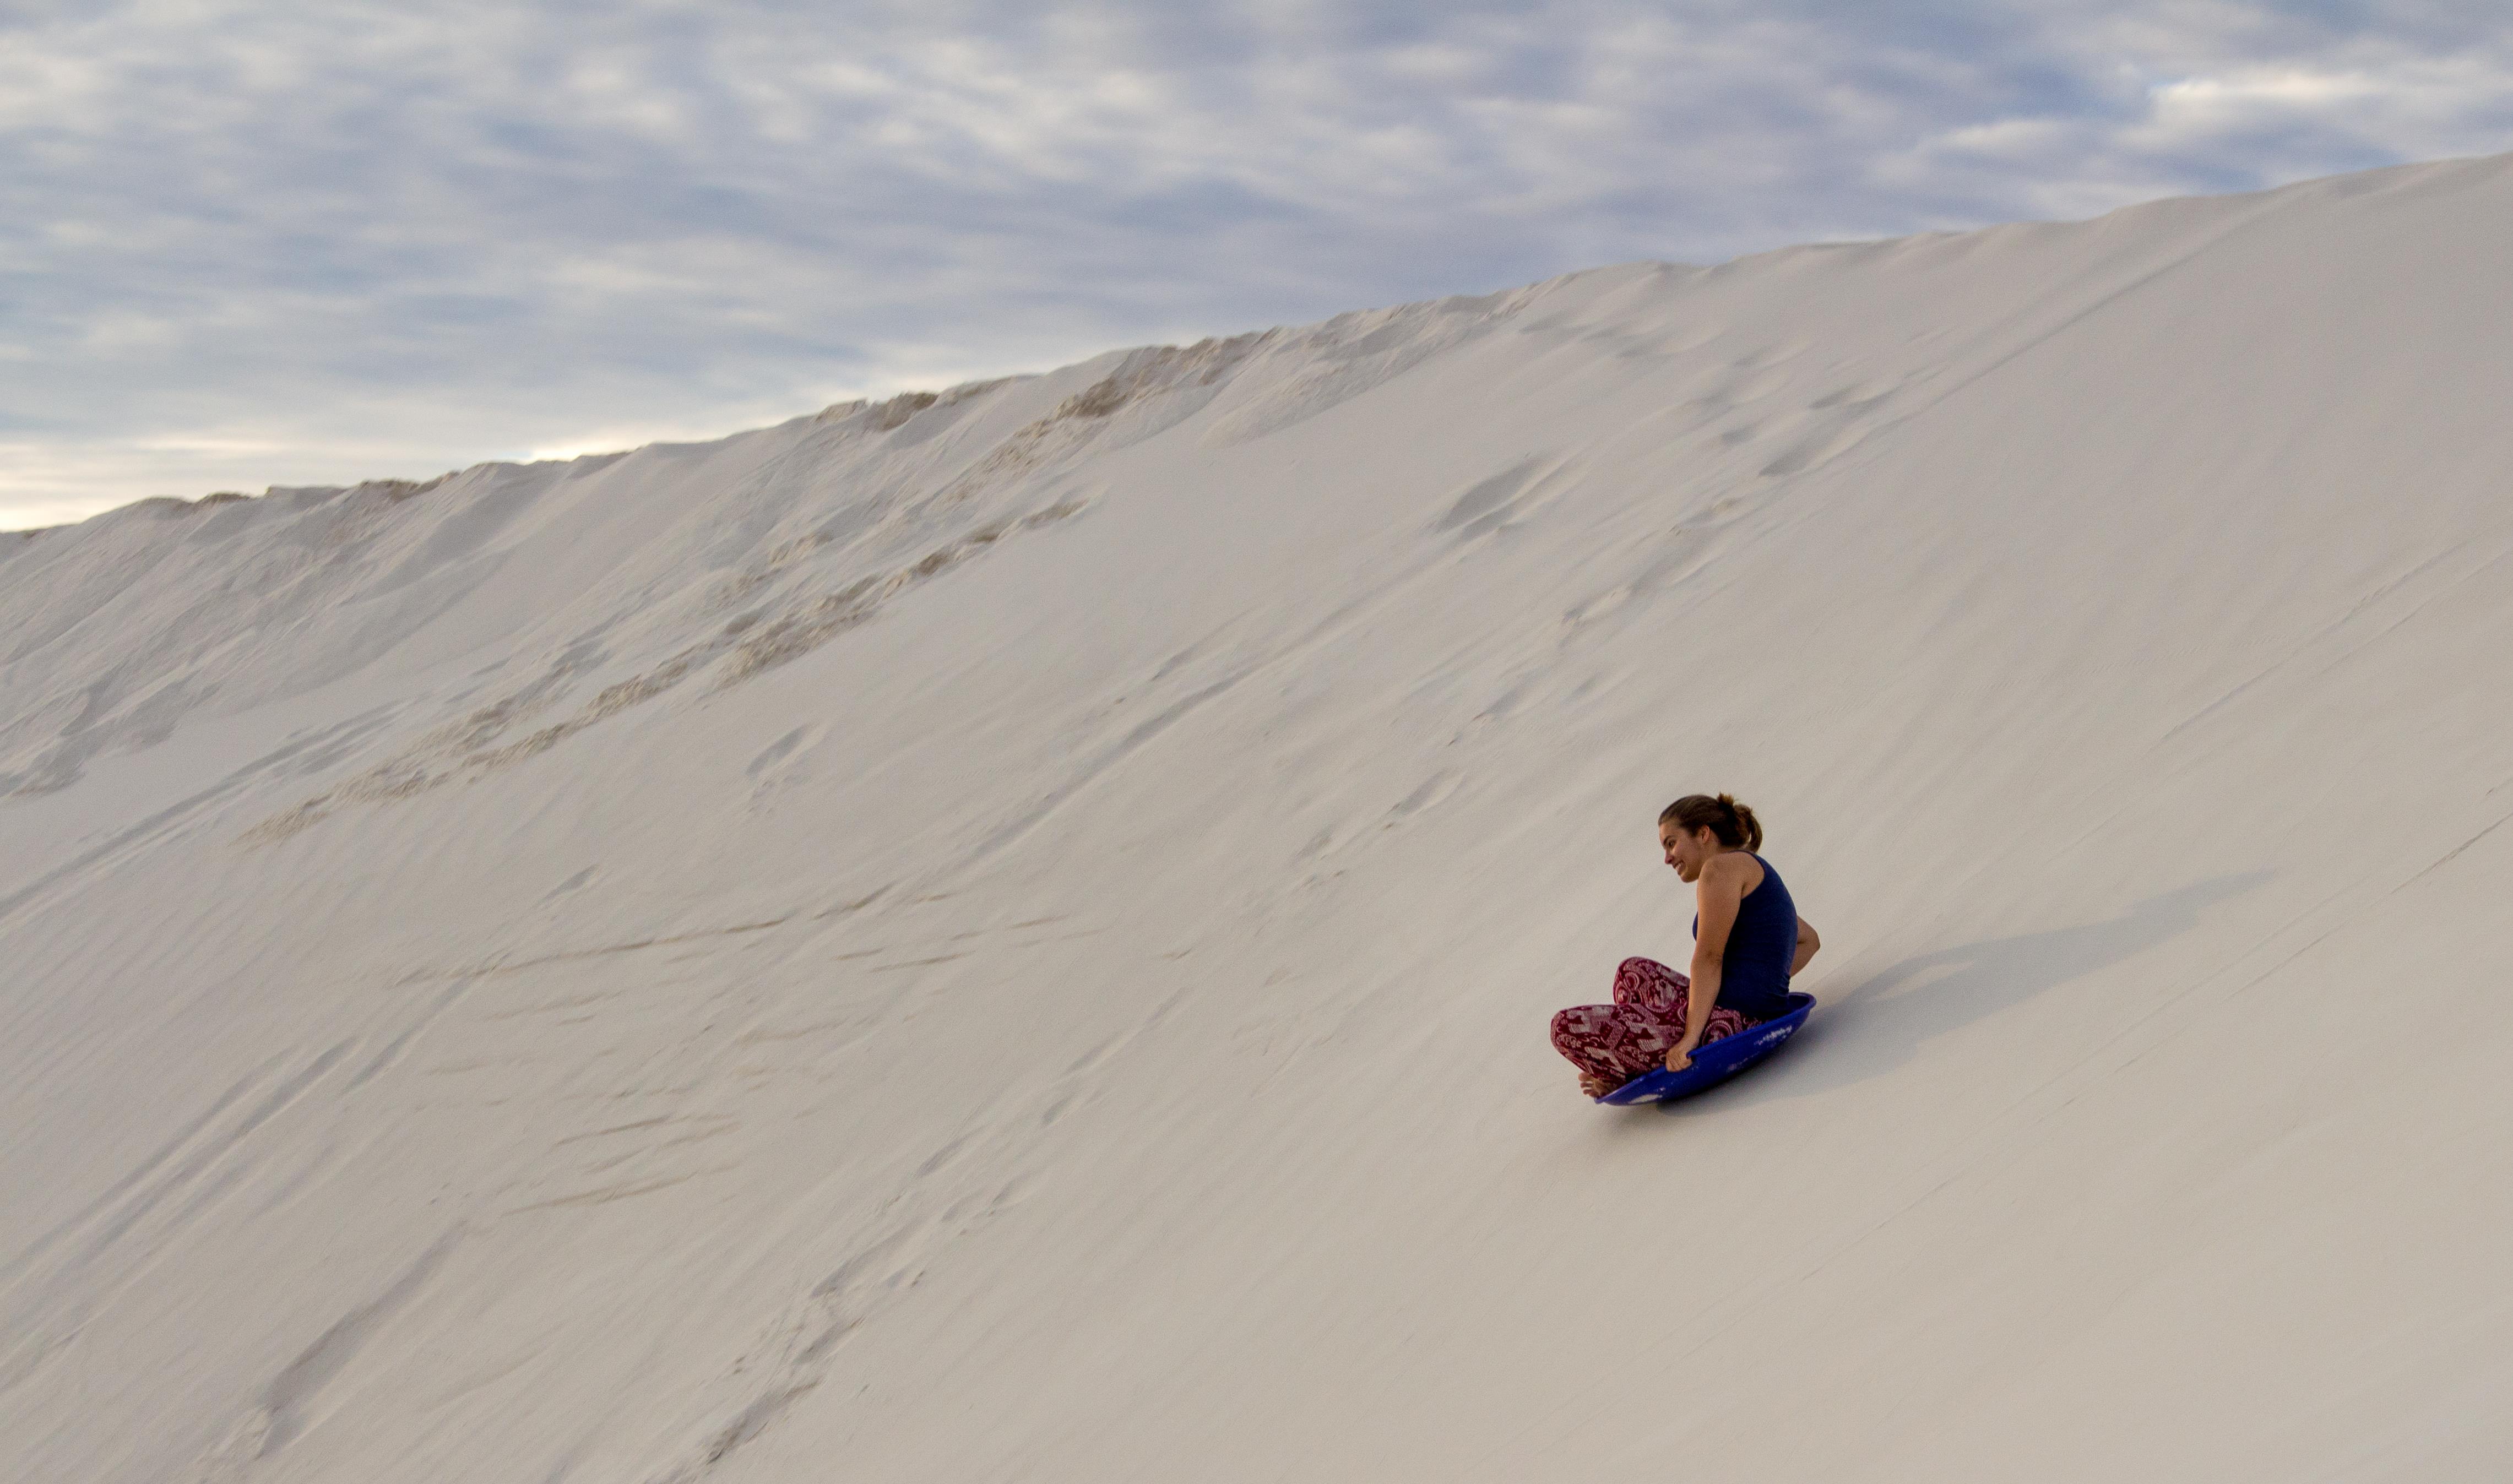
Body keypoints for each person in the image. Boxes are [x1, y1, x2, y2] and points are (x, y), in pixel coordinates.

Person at [1551, 793, 1820, 1097]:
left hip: (1728, 1024)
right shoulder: (1751, 868)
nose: (1667, 858)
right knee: (1633, 972)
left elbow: (1708, 959)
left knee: (1564, 1027)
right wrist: (1770, 986)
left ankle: (1629, 1068)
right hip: (1741, 1012)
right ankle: (1632, 1061)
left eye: (1671, 843)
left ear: (1703, 834)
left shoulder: (1718, 870)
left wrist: (1689, 1040)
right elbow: (1808, 940)